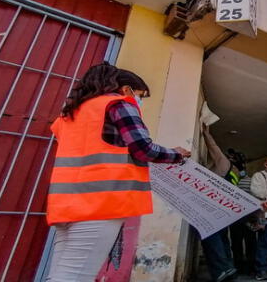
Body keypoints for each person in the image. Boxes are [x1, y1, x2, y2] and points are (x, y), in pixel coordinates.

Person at [45, 63, 191, 281]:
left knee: (62, 272)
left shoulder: (69, 116)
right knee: (75, 276)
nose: (138, 101)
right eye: (139, 95)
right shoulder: (118, 104)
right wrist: (176, 154)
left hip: (66, 204)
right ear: (125, 89)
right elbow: (144, 149)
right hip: (101, 203)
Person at [200, 128, 238, 282]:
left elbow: (214, 148)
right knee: (223, 238)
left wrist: (206, 132)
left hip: (212, 206)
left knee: (211, 237)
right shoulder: (234, 172)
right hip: (224, 208)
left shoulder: (224, 164)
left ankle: (220, 270)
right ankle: (229, 267)